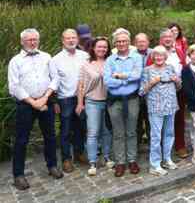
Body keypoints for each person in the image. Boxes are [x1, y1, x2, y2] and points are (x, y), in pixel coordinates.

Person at [9, 28, 63, 190]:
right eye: (29, 40)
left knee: (50, 136)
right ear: (22, 41)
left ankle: (52, 165)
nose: (32, 42)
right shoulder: (15, 61)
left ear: (38, 41)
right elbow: (14, 86)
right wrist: (33, 102)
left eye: (35, 39)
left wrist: (45, 98)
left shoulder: (47, 57)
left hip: (46, 100)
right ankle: (18, 175)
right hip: (26, 104)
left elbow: (55, 78)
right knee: (21, 140)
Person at [104, 28, 143, 177]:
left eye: (124, 41)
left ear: (129, 42)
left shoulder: (136, 57)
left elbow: (137, 75)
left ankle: (132, 160)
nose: (121, 43)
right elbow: (107, 81)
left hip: (132, 100)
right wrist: (126, 80)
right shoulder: (110, 60)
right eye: (118, 41)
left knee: (132, 131)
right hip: (115, 101)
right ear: (115, 43)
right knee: (118, 133)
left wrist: (119, 76)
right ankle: (120, 162)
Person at [50, 29, 90, 173]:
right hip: (65, 99)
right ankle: (66, 158)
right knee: (66, 130)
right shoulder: (55, 60)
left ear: (77, 39)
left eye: (73, 38)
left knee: (81, 127)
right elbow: (53, 82)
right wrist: (54, 102)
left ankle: (79, 153)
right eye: (68, 38)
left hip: (82, 97)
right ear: (62, 40)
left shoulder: (85, 56)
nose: (71, 40)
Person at [140, 46, 181, 176]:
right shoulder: (147, 70)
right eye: (156, 55)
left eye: (161, 55)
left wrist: (177, 80)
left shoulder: (170, 68)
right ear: (152, 57)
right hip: (156, 107)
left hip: (171, 105)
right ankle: (155, 164)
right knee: (156, 136)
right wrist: (151, 83)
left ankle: (167, 159)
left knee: (169, 133)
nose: (159, 57)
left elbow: (179, 87)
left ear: (165, 57)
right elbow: (141, 91)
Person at [77, 37, 113, 176]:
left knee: (107, 131)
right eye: (99, 46)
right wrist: (80, 103)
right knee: (93, 133)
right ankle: (92, 161)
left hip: (109, 101)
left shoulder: (111, 62)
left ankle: (106, 156)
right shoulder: (86, 64)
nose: (102, 49)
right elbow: (80, 85)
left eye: (105, 47)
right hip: (92, 102)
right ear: (93, 48)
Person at [156, 28, 187, 159]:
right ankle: (163, 148)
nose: (168, 39)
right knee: (161, 121)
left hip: (178, 90)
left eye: (170, 37)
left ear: (174, 38)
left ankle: (180, 146)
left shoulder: (179, 52)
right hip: (160, 92)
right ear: (161, 39)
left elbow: (185, 69)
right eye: (165, 37)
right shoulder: (156, 52)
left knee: (179, 119)